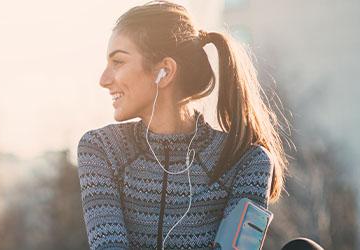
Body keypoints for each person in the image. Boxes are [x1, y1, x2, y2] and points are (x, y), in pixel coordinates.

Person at [76, 1, 323, 249]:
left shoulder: (246, 160)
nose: (103, 80)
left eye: (118, 62)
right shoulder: (102, 149)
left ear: (165, 71)